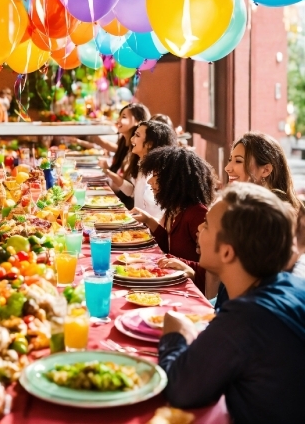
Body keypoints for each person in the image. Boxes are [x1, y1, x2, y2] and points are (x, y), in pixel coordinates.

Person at [159, 183, 305, 424]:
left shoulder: (248, 315)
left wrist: (175, 336)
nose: (199, 228)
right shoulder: (292, 287)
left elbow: (179, 388)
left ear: (227, 253)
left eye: (206, 224)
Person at [130, 146, 216, 293]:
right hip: (172, 282)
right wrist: (149, 220)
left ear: (174, 181)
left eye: (156, 175)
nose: (150, 181)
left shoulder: (197, 214)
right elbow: (169, 246)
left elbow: (213, 269)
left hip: (189, 290)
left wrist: (182, 264)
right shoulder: (174, 209)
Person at [103, 120, 177, 217]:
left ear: (149, 144)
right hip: (139, 225)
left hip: (151, 229)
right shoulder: (142, 164)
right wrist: (110, 174)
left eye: (137, 136)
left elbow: (159, 212)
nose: (132, 139)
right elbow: (134, 192)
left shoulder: (158, 172)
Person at [225, 131, 301, 211]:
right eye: (230, 160)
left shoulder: (270, 210)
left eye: (238, 161)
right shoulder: (246, 203)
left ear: (266, 170)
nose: (227, 168)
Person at [78, 103, 151, 172]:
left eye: (124, 117)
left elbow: (128, 182)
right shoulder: (123, 142)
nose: (118, 120)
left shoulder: (137, 151)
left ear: (138, 121)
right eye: (119, 116)